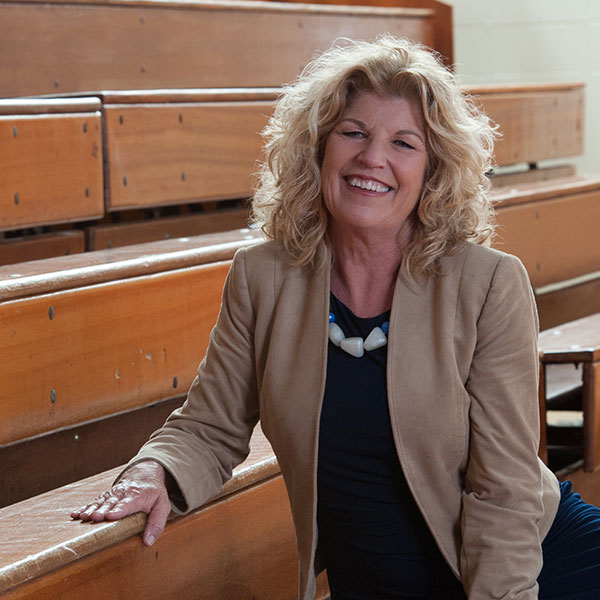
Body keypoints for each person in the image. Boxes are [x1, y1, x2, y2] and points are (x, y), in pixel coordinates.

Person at [72, 36, 600, 599]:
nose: (373, 158)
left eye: (404, 142)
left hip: (530, 569)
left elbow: (506, 490)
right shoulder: (263, 277)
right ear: (319, 148)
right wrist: (152, 471)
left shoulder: (487, 283)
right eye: (353, 132)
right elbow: (209, 426)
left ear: (433, 172)